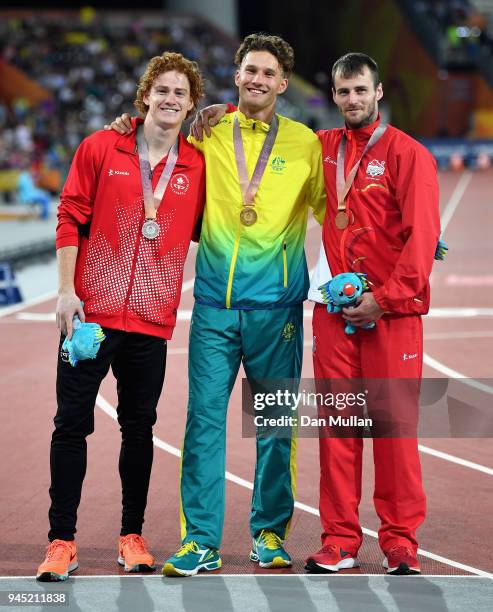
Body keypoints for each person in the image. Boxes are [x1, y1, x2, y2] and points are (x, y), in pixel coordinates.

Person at [108, 33, 327, 576]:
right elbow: (154, 137)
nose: (257, 79)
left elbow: (338, 211)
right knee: (202, 423)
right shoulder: (207, 131)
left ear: (282, 82)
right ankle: (201, 540)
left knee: (276, 423)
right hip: (213, 307)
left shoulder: (304, 144)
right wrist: (126, 125)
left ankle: (269, 534)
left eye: (268, 73)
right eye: (248, 70)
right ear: (236, 75)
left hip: (277, 309)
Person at [36, 51, 205, 582]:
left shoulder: (199, 163)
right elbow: (69, 216)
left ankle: (131, 536)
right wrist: (66, 291)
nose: (170, 99)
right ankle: (61, 541)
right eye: (163, 90)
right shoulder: (100, 146)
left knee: (140, 430)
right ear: (145, 96)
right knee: (70, 428)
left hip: (150, 322)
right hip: (90, 314)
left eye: (181, 93)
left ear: (192, 104)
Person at [305, 53, 440, 575]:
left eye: (361, 90)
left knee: (393, 431)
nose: (352, 100)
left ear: (378, 92)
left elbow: (422, 239)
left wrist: (381, 300)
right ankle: (339, 540)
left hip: (392, 314)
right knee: (338, 429)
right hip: (335, 316)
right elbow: (260, 131)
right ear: (334, 96)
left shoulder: (409, 155)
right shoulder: (322, 148)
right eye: (343, 92)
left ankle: (400, 541)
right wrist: (217, 111)